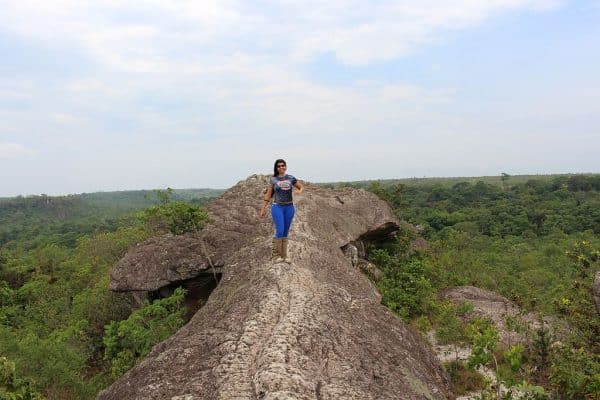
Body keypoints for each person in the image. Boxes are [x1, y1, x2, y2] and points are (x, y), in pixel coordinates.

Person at [259, 159, 304, 263]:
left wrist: (299, 191)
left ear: (286, 166)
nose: (281, 167)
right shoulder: (273, 179)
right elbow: (268, 195)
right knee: (280, 230)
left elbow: (301, 187)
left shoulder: (291, 178)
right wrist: (263, 209)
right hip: (277, 207)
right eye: (279, 166)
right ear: (276, 168)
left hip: (289, 207)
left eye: (283, 165)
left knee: (285, 231)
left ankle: (284, 256)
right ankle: (275, 256)